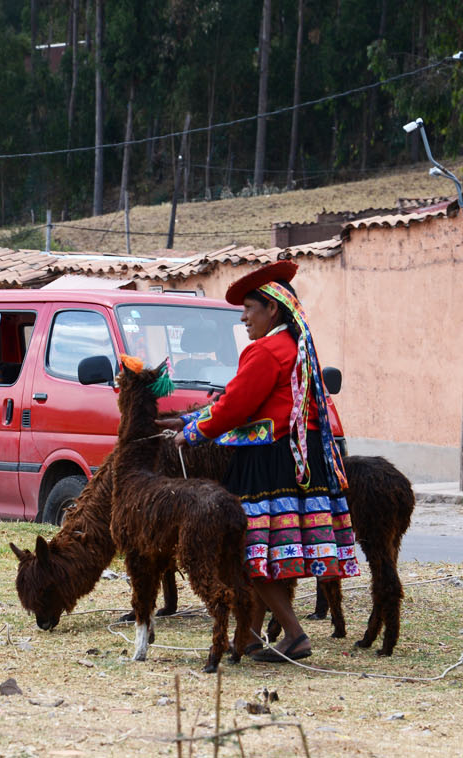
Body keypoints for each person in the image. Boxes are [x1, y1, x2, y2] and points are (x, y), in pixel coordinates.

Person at [158, 260, 359, 662]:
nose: (244, 317)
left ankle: (295, 635)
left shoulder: (265, 351)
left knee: (250, 550)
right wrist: (188, 419)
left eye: (250, 308)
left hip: (268, 462)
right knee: (270, 551)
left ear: (273, 309)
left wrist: (192, 434)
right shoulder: (295, 348)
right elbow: (243, 401)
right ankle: (249, 636)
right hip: (296, 458)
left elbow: (235, 406)